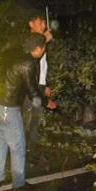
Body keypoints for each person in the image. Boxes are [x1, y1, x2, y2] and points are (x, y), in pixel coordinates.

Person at [0, 33, 46, 191]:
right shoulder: (27, 62)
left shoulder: (10, 52)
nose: (43, 51)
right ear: (38, 49)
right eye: (43, 48)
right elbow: (33, 91)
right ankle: (19, 185)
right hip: (8, 108)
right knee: (18, 146)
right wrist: (47, 102)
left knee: (1, 141)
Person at [22, 11, 57, 157]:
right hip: (30, 86)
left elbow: (43, 65)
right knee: (25, 120)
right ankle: (20, 152)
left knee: (36, 120)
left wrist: (46, 83)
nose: (44, 25)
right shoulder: (27, 41)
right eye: (40, 22)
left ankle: (32, 151)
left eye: (44, 22)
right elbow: (29, 61)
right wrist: (43, 39)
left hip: (40, 85)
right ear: (31, 24)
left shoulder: (42, 42)